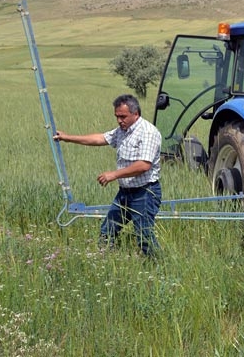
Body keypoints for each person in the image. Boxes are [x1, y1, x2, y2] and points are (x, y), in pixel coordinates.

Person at [53, 94, 162, 257]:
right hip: (125, 193)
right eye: (117, 116)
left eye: (123, 116)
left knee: (143, 235)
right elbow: (100, 138)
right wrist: (67, 138)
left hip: (145, 193)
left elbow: (144, 165)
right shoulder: (122, 131)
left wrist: (114, 175)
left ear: (136, 114)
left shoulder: (148, 132)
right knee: (108, 230)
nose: (119, 120)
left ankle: (158, 267)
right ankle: (105, 261)